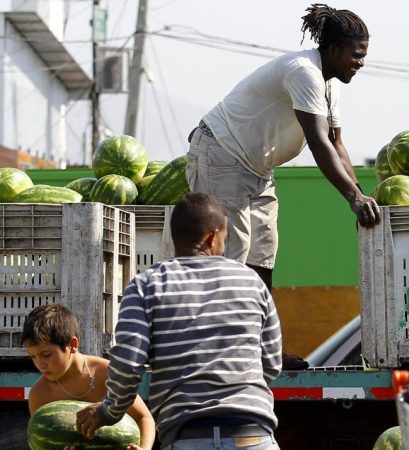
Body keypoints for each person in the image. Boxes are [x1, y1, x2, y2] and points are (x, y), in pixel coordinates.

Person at [185, 3, 380, 295]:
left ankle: (256, 332)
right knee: (231, 254)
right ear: (335, 48)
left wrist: (359, 196)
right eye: (357, 55)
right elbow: (318, 142)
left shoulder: (330, 85)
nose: (361, 63)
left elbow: (336, 145)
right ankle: (224, 333)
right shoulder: (304, 72)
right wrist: (352, 198)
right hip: (222, 153)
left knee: (262, 255)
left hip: (258, 169)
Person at [75, 192, 283, 450]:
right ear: (212, 236)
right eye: (225, 239)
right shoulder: (252, 282)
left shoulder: (147, 285)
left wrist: (109, 412)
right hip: (253, 435)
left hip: (187, 436)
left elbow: (128, 364)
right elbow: (272, 364)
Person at [21, 303, 155, 450]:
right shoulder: (40, 395)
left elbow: (144, 418)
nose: (40, 364)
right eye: (33, 356)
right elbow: (40, 440)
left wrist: (145, 448)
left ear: (72, 344)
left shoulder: (106, 373)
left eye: (46, 355)